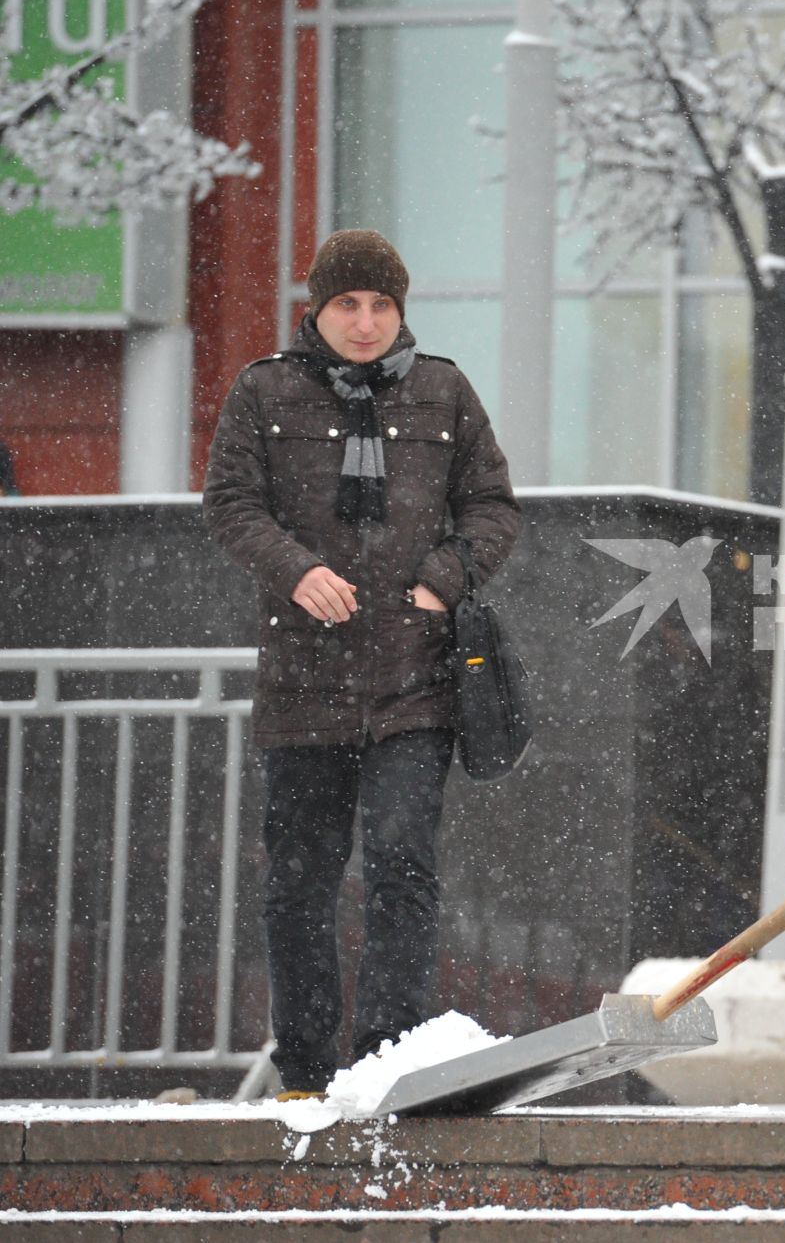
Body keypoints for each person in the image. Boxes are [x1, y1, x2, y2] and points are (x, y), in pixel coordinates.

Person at [203, 230, 520, 1100]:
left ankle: (388, 1061)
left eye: (382, 304)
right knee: (299, 878)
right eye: (349, 303)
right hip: (302, 682)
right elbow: (229, 503)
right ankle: (306, 1072)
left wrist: (443, 580)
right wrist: (295, 570)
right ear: (317, 307)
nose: (367, 321)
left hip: (415, 680)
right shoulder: (263, 389)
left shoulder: (445, 389)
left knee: (400, 862)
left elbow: (492, 508)